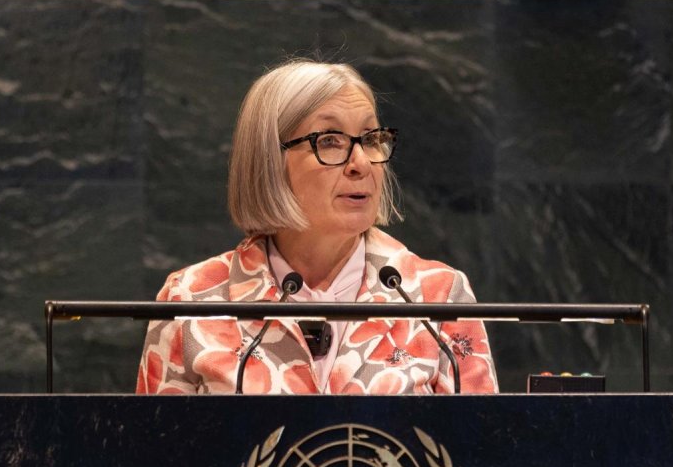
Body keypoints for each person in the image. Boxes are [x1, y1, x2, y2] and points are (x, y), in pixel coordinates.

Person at [136, 59, 498, 395]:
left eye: (371, 139)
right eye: (329, 141)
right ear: (269, 159)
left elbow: (482, 440)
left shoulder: (438, 296)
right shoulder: (191, 300)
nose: (361, 163)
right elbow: (156, 443)